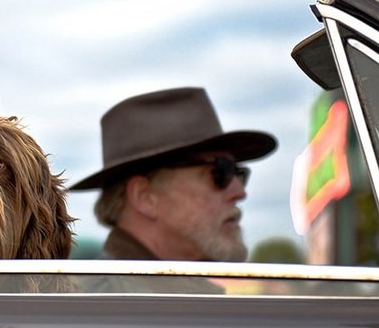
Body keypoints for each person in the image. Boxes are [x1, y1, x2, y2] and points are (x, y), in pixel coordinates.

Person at [69, 87, 277, 262]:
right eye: (220, 171)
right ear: (145, 197)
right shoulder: (106, 306)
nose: (239, 192)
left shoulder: (169, 299)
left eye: (239, 173)